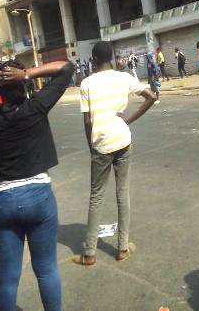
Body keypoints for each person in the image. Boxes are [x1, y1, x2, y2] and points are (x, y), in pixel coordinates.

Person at [0, 60, 74, 311]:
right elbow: (67, 67)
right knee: (47, 269)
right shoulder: (36, 107)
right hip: (40, 198)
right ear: (24, 85)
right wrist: (26, 73)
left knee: (8, 278)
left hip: (3, 201)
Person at [73, 42, 156, 267]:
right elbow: (151, 97)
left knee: (96, 196)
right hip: (122, 140)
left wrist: (91, 145)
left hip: (100, 145)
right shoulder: (124, 78)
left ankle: (89, 253)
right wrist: (128, 120)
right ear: (111, 56)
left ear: (93, 58)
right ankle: (122, 248)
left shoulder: (87, 83)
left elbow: (88, 120)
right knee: (123, 192)